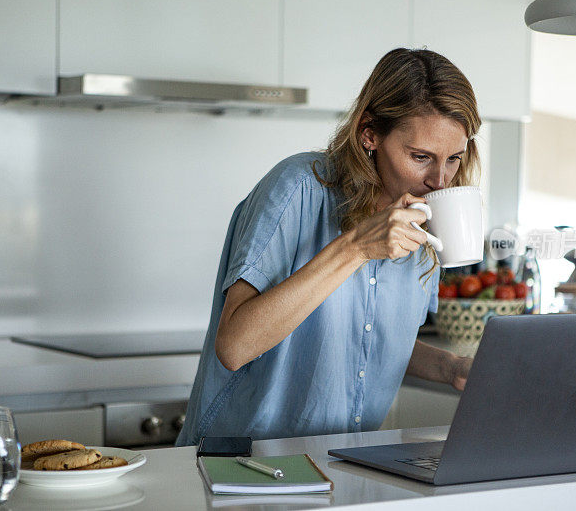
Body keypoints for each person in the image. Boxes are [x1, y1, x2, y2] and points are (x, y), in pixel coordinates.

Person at [176, 48, 482, 446]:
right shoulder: (298, 188)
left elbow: (374, 338)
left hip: (338, 463)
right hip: (241, 465)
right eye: (420, 157)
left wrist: (450, 366)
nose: (439, 180)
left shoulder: (425, 220)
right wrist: (355, 247)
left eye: (453, 159)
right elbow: (234, 346)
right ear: (369, 132)